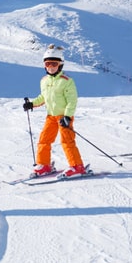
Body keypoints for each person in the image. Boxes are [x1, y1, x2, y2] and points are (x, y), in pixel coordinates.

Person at [22, 44, 87, 177]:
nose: (51, 67)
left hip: (63, 116)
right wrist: (32, 104)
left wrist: (67, 116)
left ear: (60, 65)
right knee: (44, 140)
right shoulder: (44, 80)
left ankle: (77, 166)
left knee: (67, 141)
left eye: (54, 64)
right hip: (51, 116)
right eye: (47, 64)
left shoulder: (67, 81)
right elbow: (43, 97)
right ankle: (44, 165)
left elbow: (72, 101)